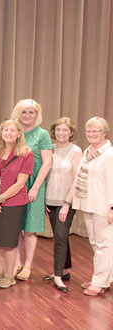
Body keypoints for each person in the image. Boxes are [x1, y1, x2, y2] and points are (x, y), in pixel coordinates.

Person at [63, 117, 113, 296]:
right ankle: (103, 278)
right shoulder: (88, 151)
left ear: (104, 133)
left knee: (104, 245)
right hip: (89, 203)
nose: (91, 134)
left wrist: (112, 208)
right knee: (96, 243)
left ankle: (100, 282)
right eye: (89, 131)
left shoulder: (109, 154)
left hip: (103, 206)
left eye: (96, 131)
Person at [0, 119, 33, 289]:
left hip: (13, 203)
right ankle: (0, 271)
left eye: (13, 130)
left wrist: (0, 198)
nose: (9, 133)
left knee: (9, 242)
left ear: (19, 133)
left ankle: (10, 275)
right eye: (6, 130)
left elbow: (20, 183)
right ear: (1, 132)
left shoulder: (26, 153)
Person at [11, 99, 52, 281]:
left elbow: (47, 163)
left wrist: (35, 188)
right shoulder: (14, 131)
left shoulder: (42, 134)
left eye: (31, 112)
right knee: (15, 226)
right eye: (24, 112)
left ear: (37, 115)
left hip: (34, 183)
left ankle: (28, 265)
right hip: (16, 183)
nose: (27, 116)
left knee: (30, 228)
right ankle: (16, 263)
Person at [43, 117, 82, 292]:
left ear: (71, 133)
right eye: (58, 130)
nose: (61, 133)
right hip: (50, 200)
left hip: (66, 201)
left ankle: (57, 276)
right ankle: (65, 271)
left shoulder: (76, 151)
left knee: (59, 237)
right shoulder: (49, 149)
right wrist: (42, 201)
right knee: (62, 236)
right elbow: (44, 175)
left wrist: (67, 203)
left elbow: (77, 179)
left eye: (65, 130)